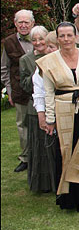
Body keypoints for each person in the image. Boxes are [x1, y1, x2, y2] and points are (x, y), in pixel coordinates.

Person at [37, 22, 79, 213]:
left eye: (69, 35)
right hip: (65, 111)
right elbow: (48, 93)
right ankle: (74, 199)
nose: (66, 39)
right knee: (69, 151)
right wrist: (50, 119)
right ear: (57, 38)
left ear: (76, 37)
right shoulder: (48, 61)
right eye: (62, 36)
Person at [20, 27, 59, 192]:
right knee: (41, 148)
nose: (38, 43)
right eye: (34, 40)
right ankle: (44, 183)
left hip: (59, 106)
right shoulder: (26, 60)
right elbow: (26, 85)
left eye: (41, 39)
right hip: (37, 108)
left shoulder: (58, 56)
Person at [1, 9, 35, 173]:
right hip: (19, 91)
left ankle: (42, 156)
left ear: (32, 24)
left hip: (41, 91)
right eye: (20, 22)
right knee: (23, 126)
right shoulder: (8, 42)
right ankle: (25, 158)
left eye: (26, 22)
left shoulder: (39, 38)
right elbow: (4, 68)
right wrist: (9, 91)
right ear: (15, 24)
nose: (23, 25)